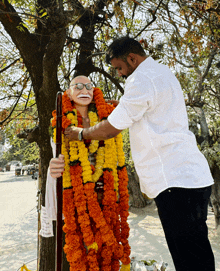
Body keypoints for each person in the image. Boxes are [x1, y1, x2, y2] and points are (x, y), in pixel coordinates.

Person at [60, 37, 216, 271]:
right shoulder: (162, 72)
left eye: (120, 68)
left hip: (174, 181)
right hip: (192, 177)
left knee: (188, 258)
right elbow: (144, 107)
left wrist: (81, 133)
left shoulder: (140, 79)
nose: (120, 73)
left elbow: (112, 128)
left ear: (132, 58)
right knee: (198, 251)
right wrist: (122, 104)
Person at [46, 75, 131, 271]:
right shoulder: (61, 122)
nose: (84, 90)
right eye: (78, 86)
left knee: (108, 256)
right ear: (68, 92)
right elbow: (56, 158)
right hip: (77, 199)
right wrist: (54, 166)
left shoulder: (108, 118)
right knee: (84, 255)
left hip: (107, 197)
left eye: (89, 86)